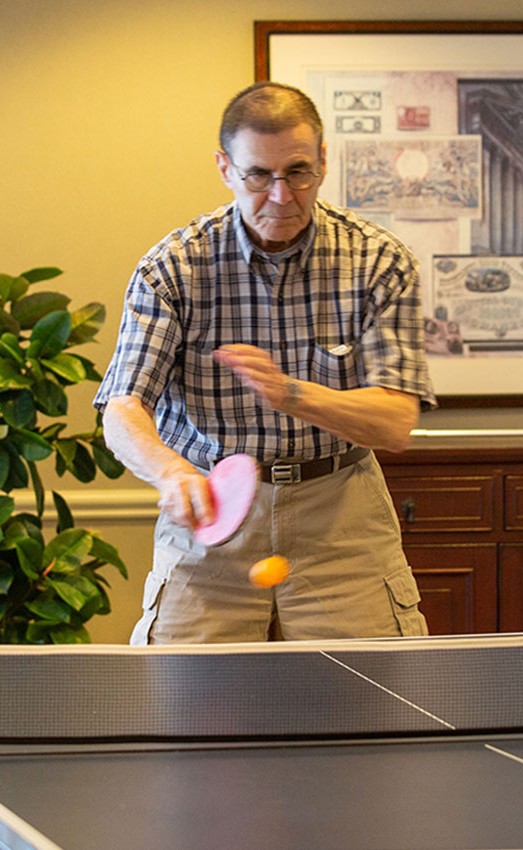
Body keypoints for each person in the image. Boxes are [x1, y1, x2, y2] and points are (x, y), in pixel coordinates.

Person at [94, 81, 436, 645]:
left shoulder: (379, 261)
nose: (280, 194)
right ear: (225, 168)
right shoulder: (174, 267)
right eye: (259, 175)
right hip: (211, 515)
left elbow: (395, 423)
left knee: (367, 715)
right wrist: (171, 472)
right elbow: (122, 408)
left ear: (323, 162)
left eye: (298, 171)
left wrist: (291, 394)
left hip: (341, 518)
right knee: (188, 716)